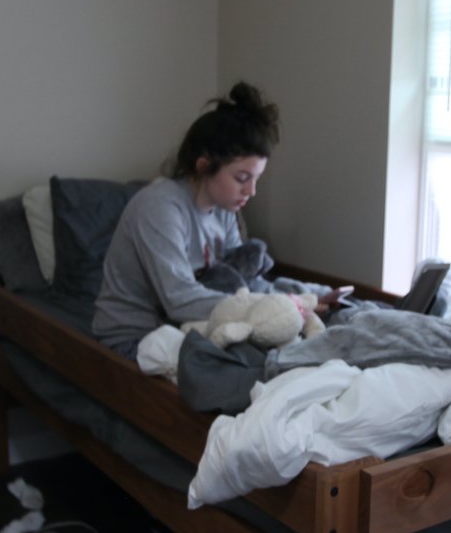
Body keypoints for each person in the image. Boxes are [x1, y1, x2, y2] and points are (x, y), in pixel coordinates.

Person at [93, 83, 336, 355]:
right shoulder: (159, 208)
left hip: (187, 324)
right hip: (137, 334)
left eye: (256, 179)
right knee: (249, 366)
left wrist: (311, 294)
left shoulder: (224, 208)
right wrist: (276, 305)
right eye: (242, 178)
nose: (251, 191)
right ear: (204, 165)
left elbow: (244, 283)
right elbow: (180, 300)